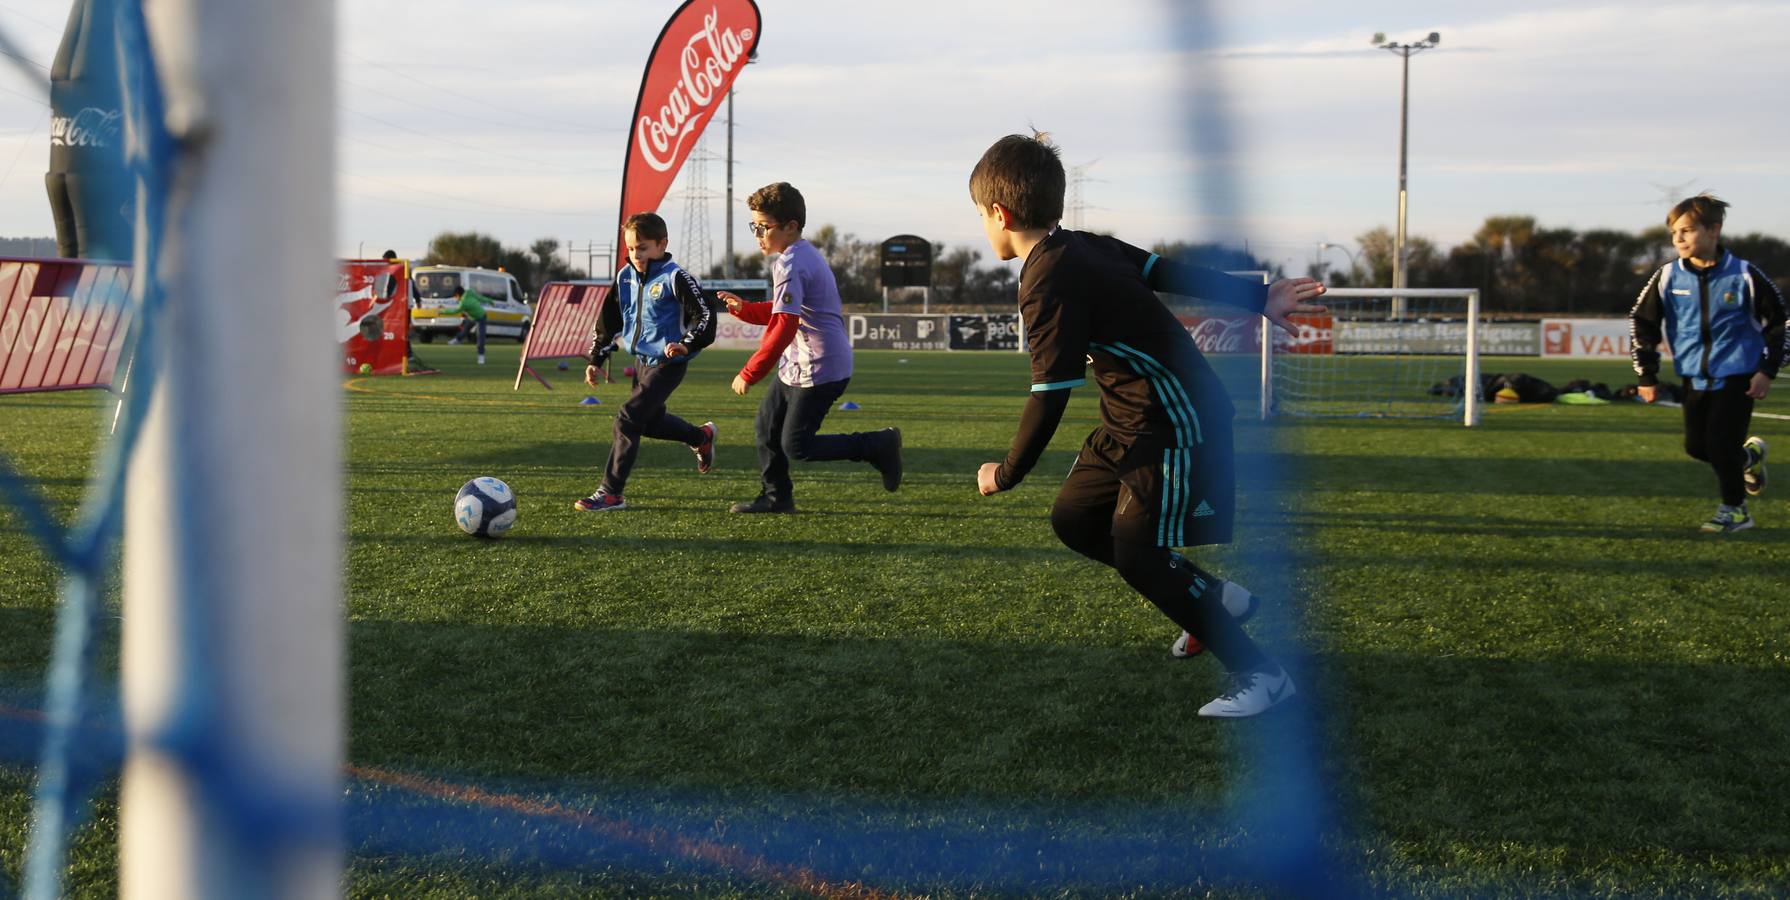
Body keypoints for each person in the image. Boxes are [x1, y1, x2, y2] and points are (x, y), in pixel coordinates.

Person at [968, 133, 1327, 719]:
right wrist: (1256, 296)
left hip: (1175, 418)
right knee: (1076, 520)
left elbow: (1051, 392)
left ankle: (1263, 674)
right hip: (1129, 417)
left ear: (1000, 214)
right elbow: (1166, 270)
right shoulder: (1084, 246)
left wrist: (1006, 473)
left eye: (980, 215)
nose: (982, 226)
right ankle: (1212, 600)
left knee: (1137, 555)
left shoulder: (1047, 279)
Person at [715, 182, 902, 514]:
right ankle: (777, 498)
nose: (757, 233)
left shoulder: (790, 262)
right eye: (754, 226)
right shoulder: (798, 255)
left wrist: (750, 371)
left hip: (820, 366)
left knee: (796, 445)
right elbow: (784, 310)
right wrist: (746, 309)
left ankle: (878, 444)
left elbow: (785, 324)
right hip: (799, 364)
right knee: (766, 427)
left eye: (763, 226)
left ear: (790, 227)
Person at [1630, 193, 1785, 533]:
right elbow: (1642, 323)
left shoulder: (1745, 275)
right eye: (1674, 233)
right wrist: (1648, 375)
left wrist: (1766, 370)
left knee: (1719, 445)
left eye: (1687, 230)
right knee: (1697, 447)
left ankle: (1736, 511)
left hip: (1738, 376)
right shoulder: (1668, 276)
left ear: (1714, 230)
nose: (1678, 239)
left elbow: (1779, 323)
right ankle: (1749, 459)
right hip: (1693, 376)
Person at [573, 212, 718, 512]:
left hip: (669, 363)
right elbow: (608, 320)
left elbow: (705, 316)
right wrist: (596, 357)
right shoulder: (624, 277)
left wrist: (686, 344)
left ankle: (611, 493)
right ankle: (700, 437)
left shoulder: (675, 277)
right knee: (648, 422)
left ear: (662, 244)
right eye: (630, 248)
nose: (635, 254)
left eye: (642, 247)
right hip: (641, 362)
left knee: (627, 417)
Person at [446, 284, 490, 364]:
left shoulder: (463, 303)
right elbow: (480, 298)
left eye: (455, 297)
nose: (456, 299)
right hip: (472, 317)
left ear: (458, 295)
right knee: (465, 331)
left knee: (480, 337)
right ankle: (456, 340)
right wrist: (489, 301)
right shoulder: (470, 292)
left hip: (481, 318)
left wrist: (442, 311)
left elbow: (455, 311)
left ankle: (481, 357)